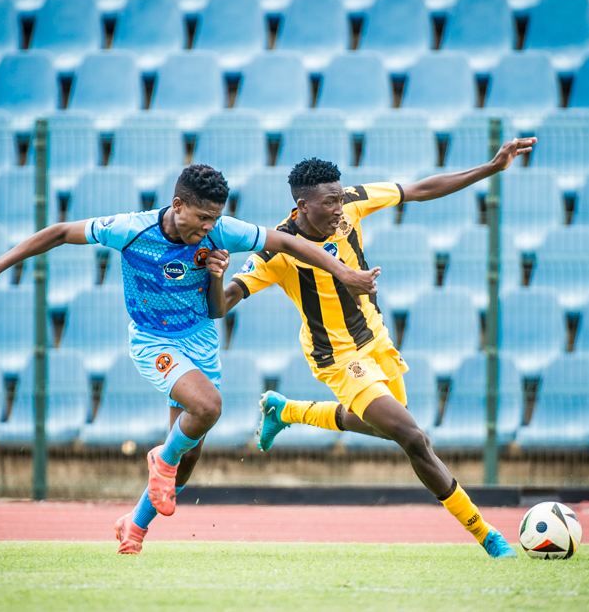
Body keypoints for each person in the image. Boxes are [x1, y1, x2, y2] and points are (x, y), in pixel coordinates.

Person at [0, 164, 380, 554]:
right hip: (155, 342)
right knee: (207, 407)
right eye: (203, 217)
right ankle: (161, 459)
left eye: (215, 218)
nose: (209, 228)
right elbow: (60, 232)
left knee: (186, 461)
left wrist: (345, 273)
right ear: (177, 206)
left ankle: (134, 525)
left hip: (200, 341)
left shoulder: (221, 231)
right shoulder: (130, 229)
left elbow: (286, 241)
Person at [218, 138, 537, 559]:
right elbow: (224, 302)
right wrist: (211, 274)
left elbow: (419, 189)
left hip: (376, 341)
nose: (339, 208)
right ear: (302, 205)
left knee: (387, 427)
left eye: (339, 198)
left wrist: (491, 168)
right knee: (413, 437)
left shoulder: (351, 203)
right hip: (338, 357)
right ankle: (487, 535)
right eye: (329, 202)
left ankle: (288, 411)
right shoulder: (275, 250)